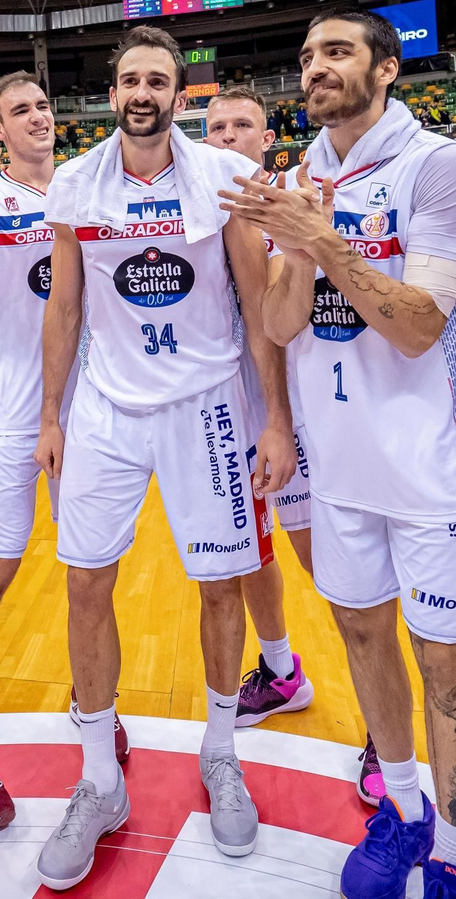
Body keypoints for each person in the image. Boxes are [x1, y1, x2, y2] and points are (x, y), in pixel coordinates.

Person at [224, 8, 456, 899]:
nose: (315, 68)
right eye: (308, 56)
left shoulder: (444, 167)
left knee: (446, 666)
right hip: (342, 464)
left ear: (387, 68)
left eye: (338, 52)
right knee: (362, 634)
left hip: (436, 464)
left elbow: (417, 327)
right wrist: (299, 247)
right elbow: (280, 325)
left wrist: (320, 239)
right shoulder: (306, 174)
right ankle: (403, 815)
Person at [34, 25, 295, 889]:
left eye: (157, 80)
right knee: (84, 580)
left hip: (208, 406)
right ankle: (100, 781)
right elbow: (63, 309)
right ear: (111, 94)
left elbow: (258, 306)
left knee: (220, 585)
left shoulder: (223, 177)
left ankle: (220, 752)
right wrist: (50, 417)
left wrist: (275, 420)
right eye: (128, 80)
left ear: (180, 97)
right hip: (106, 410)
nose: (141, 92)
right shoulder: (75, 182)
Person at [0, 71, 106, 830]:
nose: (37, 117)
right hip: (13, 414)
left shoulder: (83, 188)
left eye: (43, 105)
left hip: (89, 411)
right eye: (19, 111)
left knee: (90, 571)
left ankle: (91, 701)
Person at [201, 85, 320, 731]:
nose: (225, 137)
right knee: (251, 552)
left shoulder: (291, 201)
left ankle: (381, 731)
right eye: (215, 127)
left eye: (241, 125)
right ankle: (280, 672)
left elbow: (273, 318)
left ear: (266, 139)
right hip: (230, 412)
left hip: (297, 412)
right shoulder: (200, 210)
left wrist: (282, 420)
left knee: (330, 570)